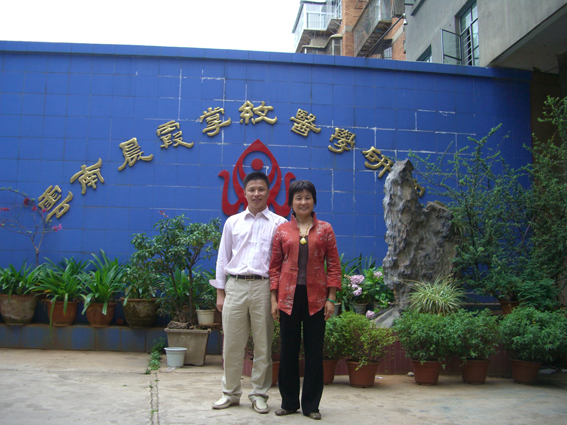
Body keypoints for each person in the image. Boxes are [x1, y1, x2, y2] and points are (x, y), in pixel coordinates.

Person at [210, 171, 287, 414]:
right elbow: (223, 258)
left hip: (264, 287)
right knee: (232, 345)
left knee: (263, 345)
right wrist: (220, 292)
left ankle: (259, 394)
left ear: (269, 192)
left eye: (261, 189)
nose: (256, 194)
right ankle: (230, 393)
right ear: (244, 193)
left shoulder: (279, 224)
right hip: (235, 286)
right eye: (252, 189)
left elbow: (283, 263)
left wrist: (277, 296)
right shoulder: (232, 222)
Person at [269, 180, 341, 420]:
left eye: (307, 197)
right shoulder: (282, 230)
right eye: (298, 198)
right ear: (291, 202)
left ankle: (311, 406)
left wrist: (331, 298)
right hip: (288, 298)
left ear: (314, 201)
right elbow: (274, 267)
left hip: (316, 298)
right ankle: (289, 403)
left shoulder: (325, 230)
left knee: (314, 352)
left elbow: (334, 265)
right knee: (288, 351)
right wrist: (273, 299)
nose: (303, 202)